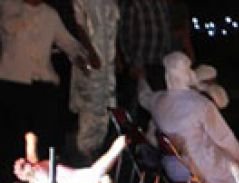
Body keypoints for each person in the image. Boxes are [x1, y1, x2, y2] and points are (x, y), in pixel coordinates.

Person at [137, 52, 239, 183]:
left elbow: (143, 96)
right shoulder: (201, 104)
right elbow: (224, 138)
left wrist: (141, 78)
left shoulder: (157, 101)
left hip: (170, 168)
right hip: (198, 170)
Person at [0, 0, 99, 167]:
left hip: (43, 85)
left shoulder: (49, 14)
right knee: (12, 145)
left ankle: (41, 180)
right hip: (12, 82)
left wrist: (83, 57)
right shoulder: (7, 6)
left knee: (44, 140)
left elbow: (68, 42)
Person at [69, 0, 119, 162]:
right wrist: (90, 52)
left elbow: (113, 32)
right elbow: (78, 26)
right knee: (89, 110)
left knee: (105, 109)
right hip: (91, 64)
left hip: (107, 67)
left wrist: (118, 58)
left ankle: (96, 155)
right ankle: (83, 155)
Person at [119, 0, 171, 93]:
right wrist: (131, 63)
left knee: (159, 100)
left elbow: (166, 30)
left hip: (160, 62)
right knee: (137, 100)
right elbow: (124, 35)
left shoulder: (161, 3)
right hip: (140, 63)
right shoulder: (131, 3)